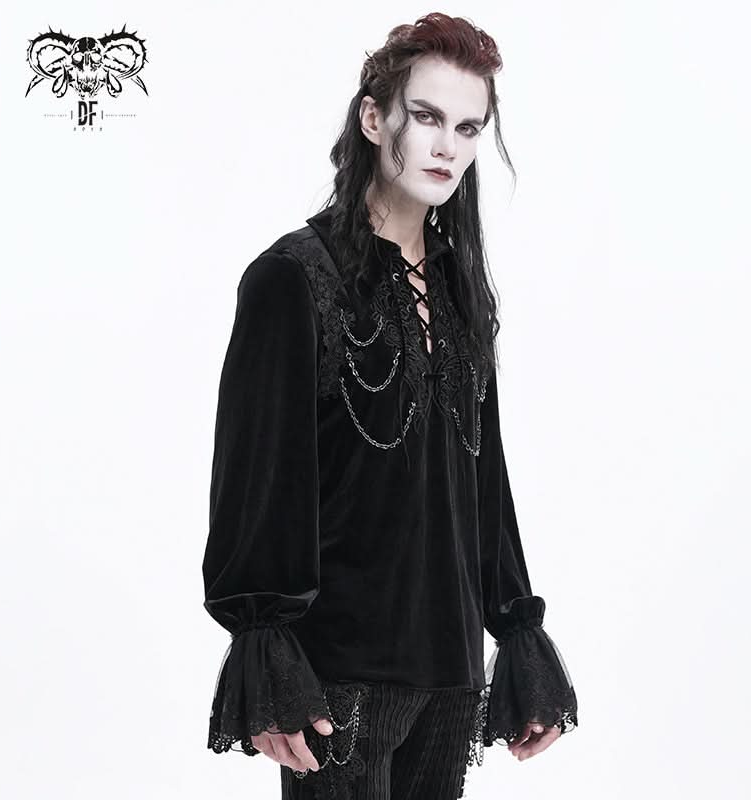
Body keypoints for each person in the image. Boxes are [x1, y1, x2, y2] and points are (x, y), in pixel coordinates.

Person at [201, 11, 578, 799]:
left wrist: (516, 630)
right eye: (428, 117)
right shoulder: (293, 279)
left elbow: (483, 481)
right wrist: (267, 652)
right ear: (375, 119)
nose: (449, 147)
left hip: (449, 677)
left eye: (468, 128)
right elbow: (257, 483)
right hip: (338, 682)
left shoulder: (459, 289)